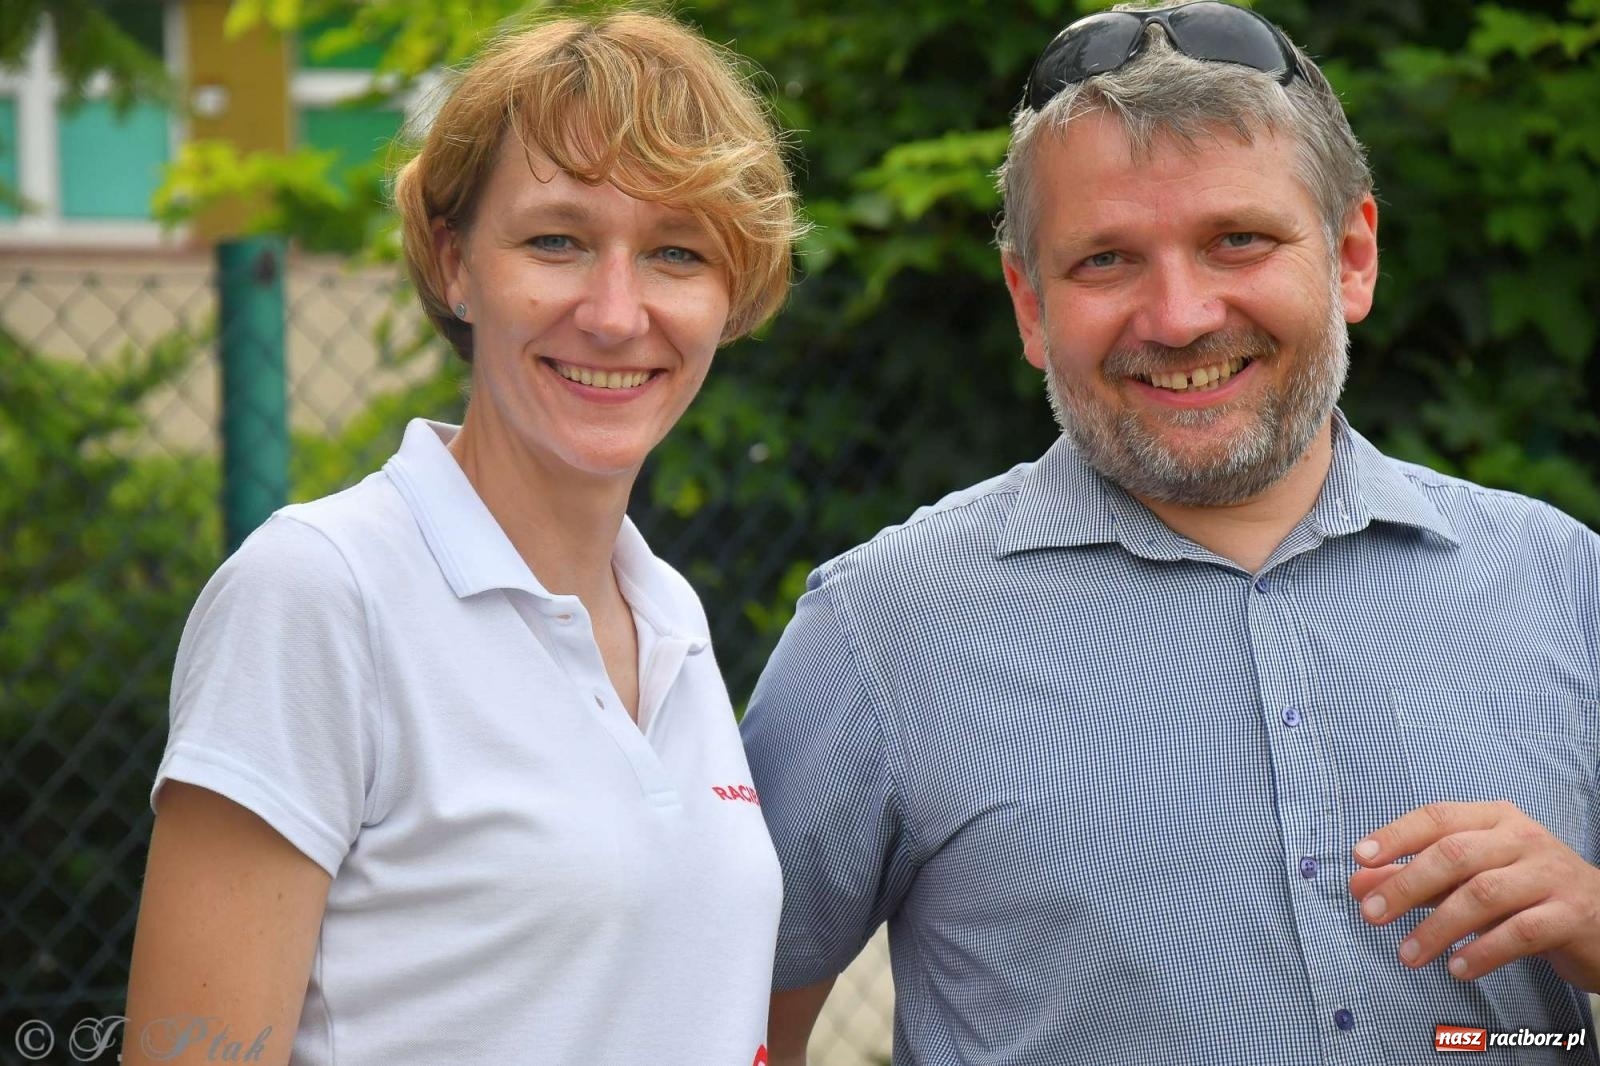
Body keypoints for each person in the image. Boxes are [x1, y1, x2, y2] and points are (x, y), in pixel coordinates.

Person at [741, 2, 1600, 1063]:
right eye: (1105, 261)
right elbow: (711, 1021)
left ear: (1351, 258)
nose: (1180, 316)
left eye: (1236, 239)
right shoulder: (882, 629)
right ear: (1027, 302)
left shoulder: (1564, 583)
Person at [122, 11, 799, 1065]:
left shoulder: (668, 613)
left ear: (730, 292)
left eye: (677, 251)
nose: (617, 313)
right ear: (454, 264)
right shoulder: (320, 593)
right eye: (556, 241)